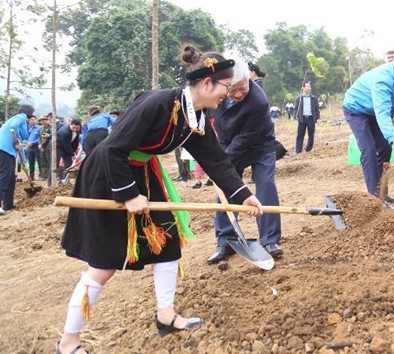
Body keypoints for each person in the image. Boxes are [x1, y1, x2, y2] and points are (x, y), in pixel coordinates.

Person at [57, 46, 264, 354]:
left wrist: (243, 196)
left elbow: (216, 160)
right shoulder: (158, 104)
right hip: (109, 175)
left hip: (144, 173)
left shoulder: (197, 116)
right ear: (207, 83)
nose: (229, 93)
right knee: (104, 263)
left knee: (167, 244)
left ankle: (165, 315)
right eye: (226, 86)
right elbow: (114, 148)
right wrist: (128, 194)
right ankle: (68, 343)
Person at [208, 57, 283, 263]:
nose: (239, 93)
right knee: (225, 189)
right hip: (227, 142)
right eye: (233, 90)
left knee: (266, 185)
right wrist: (216, 163)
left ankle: (270, 240)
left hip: (259, 144)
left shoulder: (258, 101)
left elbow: (245, 140)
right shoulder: (216, 93)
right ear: (224, 86)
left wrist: (222, 163)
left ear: (249, 80)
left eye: (243, 88)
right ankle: (225, 240)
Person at [342, 48, 394, 204]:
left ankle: (382, 192)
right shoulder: (383, 80)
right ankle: (375, 199)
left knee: (384, 147)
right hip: (356, 109)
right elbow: (381, 113)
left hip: (373, 110)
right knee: (369, 149)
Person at [0, 104, 34, 215]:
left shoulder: (23, 123)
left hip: (9, 152)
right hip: (3, 150)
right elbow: (13, 128)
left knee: (10, 178)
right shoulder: (21, 116)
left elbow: (20, 143)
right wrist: (16, 142)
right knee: (5, 177)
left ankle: (8, 205)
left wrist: (23, 161)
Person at [293, 81, 320, 154]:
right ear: (303, 88)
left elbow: (317, 109)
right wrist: (295, 118)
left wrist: (318, 118)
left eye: (309, 86)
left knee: (311, 134)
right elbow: (295, 109)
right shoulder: (299, 98)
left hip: (311, 118)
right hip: (302, 119)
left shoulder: (314, 98)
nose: (309, 88)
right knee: (300, 135)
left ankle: (308, 150)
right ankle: (298, 151)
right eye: (307, 86)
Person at [56, 118, 82, 183]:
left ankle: (67, 178)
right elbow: (66, 145)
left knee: (69, 162)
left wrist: (74, 151)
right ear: (71, 124)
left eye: (77, 128)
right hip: (59, 147)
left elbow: (76, 141)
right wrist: (73, 154)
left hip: (68, 147)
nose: (75, 129)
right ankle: (63, 179)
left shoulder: (77, 130)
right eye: (74, 128)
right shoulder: (65, 132)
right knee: (65, 162)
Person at [26, 115, 43, 181]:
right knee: (31, 162)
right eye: (30, 120)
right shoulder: (27, 129)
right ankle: (31, 176)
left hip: (37, 147)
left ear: (36, 120)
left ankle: (41, 175)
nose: (32, 121)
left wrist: (32, 143)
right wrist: (27, 142)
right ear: (28, 121)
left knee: (39, 162)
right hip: (29, 148)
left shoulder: (40, 128)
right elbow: (25, 137)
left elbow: (40, 138)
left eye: (33, 120)